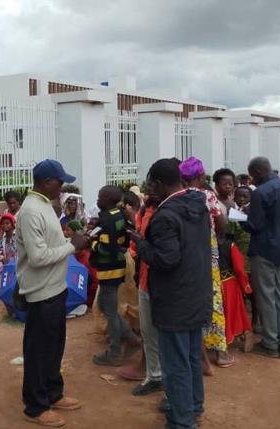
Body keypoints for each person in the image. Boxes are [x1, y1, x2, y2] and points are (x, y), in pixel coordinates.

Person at [134, 158, 211, 428]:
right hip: (196, 295)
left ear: (157, 184)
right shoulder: (198, 205)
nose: (148, 190)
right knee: (190, 357)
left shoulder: (166, 216)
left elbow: (166, 260)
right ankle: (193, 408)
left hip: (175, 301)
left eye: (150, 184)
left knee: (176, 363)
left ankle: (181, 421)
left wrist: (141, 245)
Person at [16, 159, 89, 427]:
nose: (63, 187)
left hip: (56, 287)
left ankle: (53, 392)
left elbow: (49, 242)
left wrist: (68, 239)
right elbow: (37, 257)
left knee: (54, 346)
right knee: (39, 351)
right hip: (40, 291)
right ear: (46, 183)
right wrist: (72, 246)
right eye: (60, 182)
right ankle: (35, 407)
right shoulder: (31, 211)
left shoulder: (46, 205)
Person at [243, 157, 280, 360]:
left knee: (266, 295)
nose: (251, 179)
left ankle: (270, 343)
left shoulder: (261, 193)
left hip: (264, 248)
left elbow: (255, 225)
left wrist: (241, 220)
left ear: (257, 171)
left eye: (252, 175)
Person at [180, 157, 231, 370]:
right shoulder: (208, 196)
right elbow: (222, 224)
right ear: (201, 176)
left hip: (186, 255)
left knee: (190, 300)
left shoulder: (177, 197)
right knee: (214, 299)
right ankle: (220, 352)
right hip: (208, 254)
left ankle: (196, 351)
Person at [90, 185, 139, 367]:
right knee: (105, 306)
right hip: (117, 265)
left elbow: (106, 248)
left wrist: (91, 242)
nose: (97, 200)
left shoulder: (107, 220)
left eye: (100, 197)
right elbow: (123, 240)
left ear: (108, 200)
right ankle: (132, 338)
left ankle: (116, 351)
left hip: (109, 269)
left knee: (110, 311)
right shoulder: (118, 214)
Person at [127, 182, 165, 396]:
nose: (149, 191)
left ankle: (170, 384)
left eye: (154, 186)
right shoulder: (144, 210)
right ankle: (155, 375)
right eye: (147, 187)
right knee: (148, 331)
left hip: (165, 283)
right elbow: (139, 242)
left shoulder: (169, 211)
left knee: (168, 335)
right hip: (144, 277)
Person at [217, 234, 254, 349]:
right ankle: (229, 339)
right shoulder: (230, 245)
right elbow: (239, 268)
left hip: (214, 284)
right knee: (232, 311)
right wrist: (246, 286)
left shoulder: (207, 244)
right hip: (229, 285)